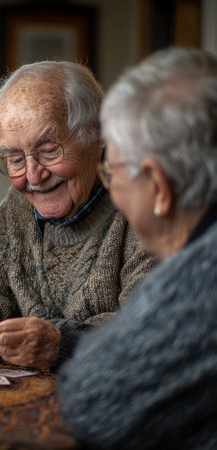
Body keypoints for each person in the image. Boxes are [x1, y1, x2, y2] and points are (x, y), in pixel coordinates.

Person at [0, 60, 157, 368]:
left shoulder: (145, 207)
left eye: (49, 150)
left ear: (98, 134)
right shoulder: (13, 214)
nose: (33, 176)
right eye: (15, 158)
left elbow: (152, 331)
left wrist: (62, 343)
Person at [57, 47, 217, 449]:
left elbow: (93, 400)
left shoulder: (201, 277)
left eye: (112, 169)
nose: (110, 188)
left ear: (159, 188)